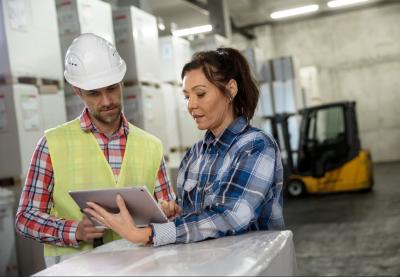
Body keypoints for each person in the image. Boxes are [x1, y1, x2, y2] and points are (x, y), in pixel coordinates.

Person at [85, 47, 285, 247]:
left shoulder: (256, 146)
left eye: (200, 94)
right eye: (187, 97)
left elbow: (231, 216)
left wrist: (148, 234)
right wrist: (173, 213)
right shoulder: (194, 155)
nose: (191, 105)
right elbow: (196, 221)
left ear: (230, 90)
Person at [15, 33, 177, 266]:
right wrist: (75, 231)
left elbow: (167, 211)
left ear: (121, 82)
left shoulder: (151, 145)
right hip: (75, 269)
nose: (106, 100)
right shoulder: (51, 144)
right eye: (94, 93)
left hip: (139, 266)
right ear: (77, 91)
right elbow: (25, 217)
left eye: (112, 89)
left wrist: (169, 212)